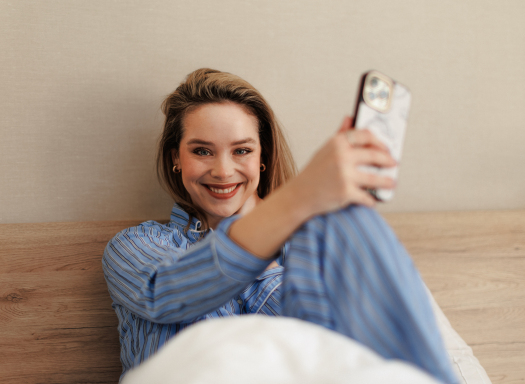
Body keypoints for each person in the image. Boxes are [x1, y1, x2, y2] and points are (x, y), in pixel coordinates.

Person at [102, 68, 458, 383]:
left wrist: (317, 213)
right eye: (202, 151)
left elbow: (335, 353)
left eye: (241, 150)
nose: (223, 171)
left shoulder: (313, 246)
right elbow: (167, 293)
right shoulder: (137, 245)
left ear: (263, 159)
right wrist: (300, 196)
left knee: (351, 221)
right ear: (176, 158)